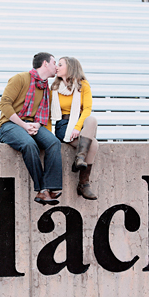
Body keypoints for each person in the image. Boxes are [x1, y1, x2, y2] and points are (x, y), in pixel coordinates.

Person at [0, 52, 62, 206]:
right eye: (54, 63)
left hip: (32, 124)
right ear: (45, 63)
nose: (56, 67)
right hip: (10, 125)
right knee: (29, 144)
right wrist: (24, 125)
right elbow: (4, 104)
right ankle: (41, 190)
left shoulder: (45, 86)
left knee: (54, 142)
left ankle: (52, 187)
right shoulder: (20, 79)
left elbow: (43, 112)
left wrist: (37, 125)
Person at [50, 56, 99, 200]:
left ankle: (80, 158)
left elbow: (87, 109)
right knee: (94, 144)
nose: (56, 67)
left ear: (70, 67)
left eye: (60, 65)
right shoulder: (54, 88)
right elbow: (47, 112)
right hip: (63, 125)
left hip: (81, 124)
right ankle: (84, 184)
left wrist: (77, 127)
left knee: (92, 119)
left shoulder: (83, 85)